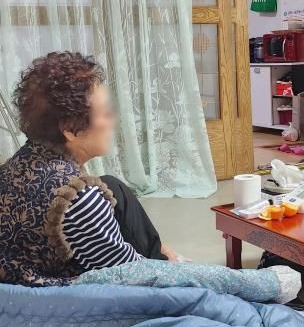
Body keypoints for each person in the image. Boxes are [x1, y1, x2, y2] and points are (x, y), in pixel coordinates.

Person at [0, 52, 174, 286]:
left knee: (112, 185)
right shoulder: (80, 201)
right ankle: (164, 259)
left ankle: (160, 252)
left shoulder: (19, 163)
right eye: (105, 113)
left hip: (22, 272)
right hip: (63, 295)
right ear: (70, 129)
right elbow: (132, 276)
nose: (112, 120)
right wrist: (176, 272)